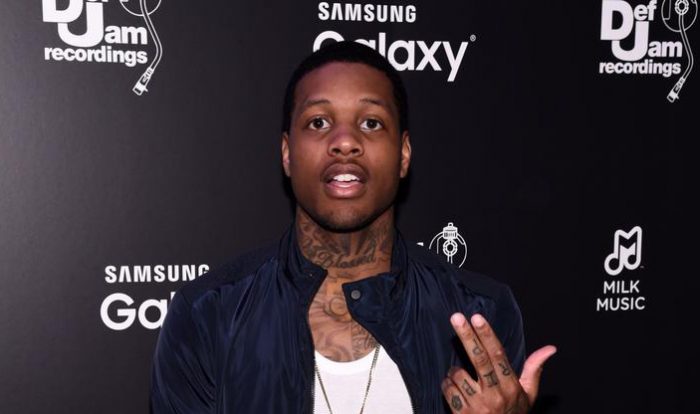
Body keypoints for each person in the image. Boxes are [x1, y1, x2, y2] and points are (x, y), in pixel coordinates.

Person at [150, 41, 556, 414]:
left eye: (372, 123)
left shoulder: (480, 311)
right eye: (319, 122)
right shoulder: (208, 316)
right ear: (287, 154)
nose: (345, 142)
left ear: (403, 154)